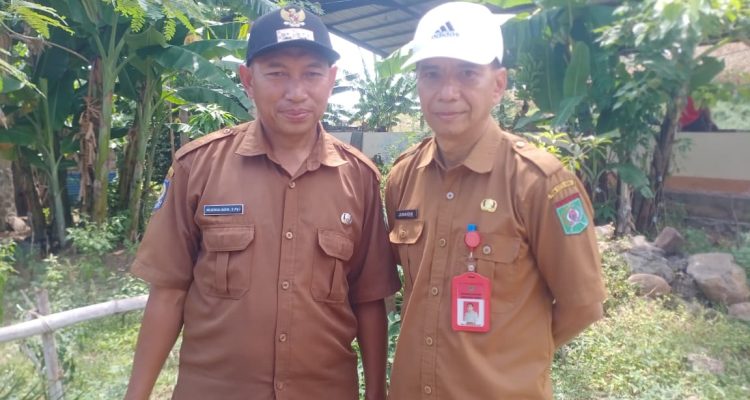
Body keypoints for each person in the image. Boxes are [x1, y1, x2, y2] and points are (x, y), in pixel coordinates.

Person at [124, 7, 400, 400]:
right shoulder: (198, 167)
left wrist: (375, 393)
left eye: (312, 74)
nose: (296, 92)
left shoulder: (359, 178)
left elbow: (369, 299)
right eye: (277, 73)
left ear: (331, 80)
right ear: (248, 80)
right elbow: (168, 293)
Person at [385, 2, 606, 399]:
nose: (447, 92)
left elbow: (583, 305)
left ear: (498, 85)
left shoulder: (539, 183)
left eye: (467, 73)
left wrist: (512, 355)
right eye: (431, 74)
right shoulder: (403, 177)